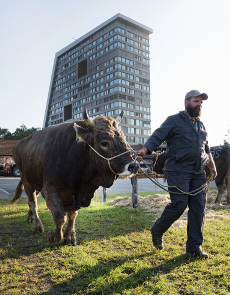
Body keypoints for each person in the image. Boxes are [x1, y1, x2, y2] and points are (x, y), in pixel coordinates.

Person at [137, 90, 217, 258]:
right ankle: (157, 230)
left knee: (198, 208)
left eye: (201, 102)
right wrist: (144, 150)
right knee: (179, 205)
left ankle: (194, 246)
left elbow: (206, 149)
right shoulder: (174, 120)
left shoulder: (202, 126)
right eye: (196, 101)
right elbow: (157, 136)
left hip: (198, 172)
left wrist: (212, 167)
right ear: (186, 102)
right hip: (178, 169)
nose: (199, 104)